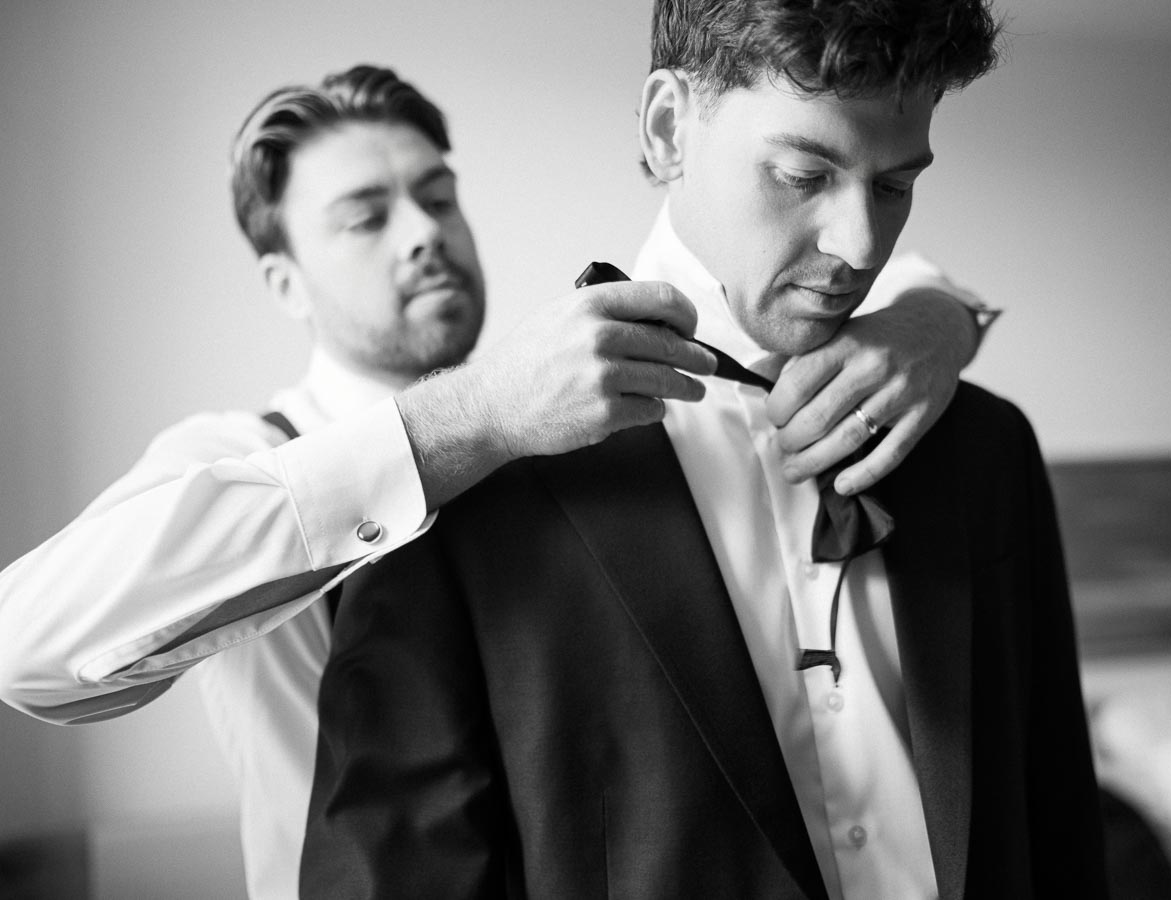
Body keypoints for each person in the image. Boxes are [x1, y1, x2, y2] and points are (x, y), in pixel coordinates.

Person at [0, 65, 994, 899]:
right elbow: (27, 652)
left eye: (436, 195)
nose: (422, 232)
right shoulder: (242, 453)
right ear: (284, 282)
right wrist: (461, 421)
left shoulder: (564, 421)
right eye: (364, 217)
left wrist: (937, 308)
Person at [300, 2, 1108, 898]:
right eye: (804, 173)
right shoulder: (457, 479)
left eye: (894, 186)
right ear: (669, 127)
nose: (860, 246)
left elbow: (1060, 827)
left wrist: (946, 314)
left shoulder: (988, 449)